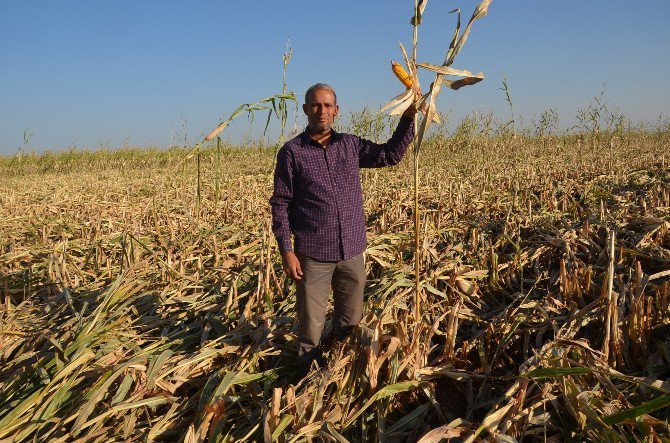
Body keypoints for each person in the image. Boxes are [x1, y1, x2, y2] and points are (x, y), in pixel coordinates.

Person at [270, 83, 417, 371]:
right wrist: (287, 251)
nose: (321, 111)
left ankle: (340, 369)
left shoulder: (350, 146)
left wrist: (409, 117)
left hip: (351, 251)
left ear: (336, 111)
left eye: (327, 106)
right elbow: (280, 203)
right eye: (315, 105)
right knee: (311, 326)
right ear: (305, 110)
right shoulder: (292, 153)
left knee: (350, 320)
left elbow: (390, 155)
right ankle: (304, 380)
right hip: (312, 255)